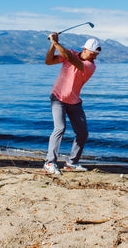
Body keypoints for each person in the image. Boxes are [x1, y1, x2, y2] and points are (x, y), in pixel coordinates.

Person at [43, 33, 101, 175]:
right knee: (60, 128)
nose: (94, 58)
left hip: (74, 102)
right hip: (58, 98)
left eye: (96, 55)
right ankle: (49, 163)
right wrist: (53, 44)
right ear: (85, 50)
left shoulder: (90, 66)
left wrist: (56, 42)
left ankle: (71, 162)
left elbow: (71, 59)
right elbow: (48, 61)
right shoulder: (71, 53)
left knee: (82, 133)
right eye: (93, 54)